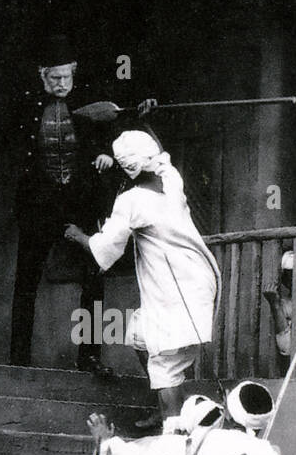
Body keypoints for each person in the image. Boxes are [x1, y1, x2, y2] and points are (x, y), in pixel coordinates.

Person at [65, 129, 219, 424]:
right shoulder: (171, 178)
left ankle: (174, 431)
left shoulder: (131, 200)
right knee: (139, 335)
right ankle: (167, 405)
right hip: (196, 277)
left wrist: (78, 235)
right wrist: (144, 125)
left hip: (178, 288)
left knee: (165, 363)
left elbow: (104, 249)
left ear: (128, 166)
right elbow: (159, 154)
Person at [9, 35, 117, 376]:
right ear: (43, 77)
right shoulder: (28, 107)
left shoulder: (90, 105)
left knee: (94, 277)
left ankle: (90, 356)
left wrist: (106, 155)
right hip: (40, 204)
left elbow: (115, 136)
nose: (61, 84)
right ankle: (19, 358)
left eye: (66, 78)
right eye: (54, 79)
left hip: (81, 202)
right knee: (26, 279)